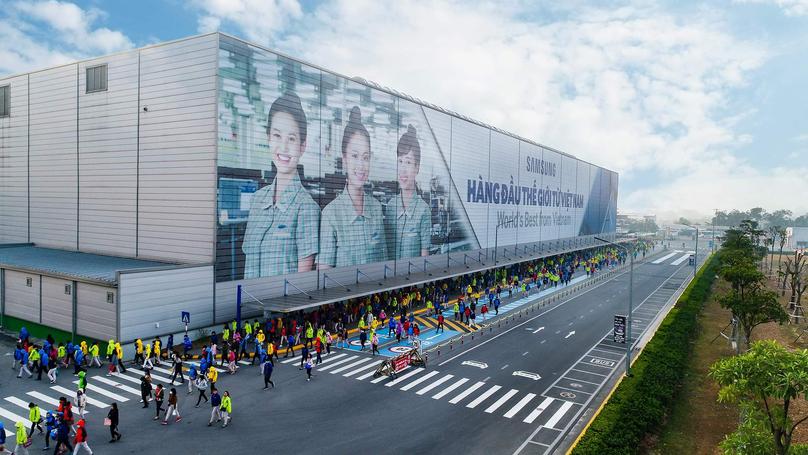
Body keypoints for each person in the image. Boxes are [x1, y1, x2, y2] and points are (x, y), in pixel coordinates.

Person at [242, 91, 319, 279]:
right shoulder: (257, 200)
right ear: (268, 138)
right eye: (277, 135)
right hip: (249, 304)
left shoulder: (306, 207)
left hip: (280, 307)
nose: (283, 147)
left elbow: (302, 282)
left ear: (302, 146)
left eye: (291, 138)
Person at [318, 106, 388, 270]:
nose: (361, 165)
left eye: (365, 157)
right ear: (344, 159)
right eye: (354, 156)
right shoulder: (331, 214)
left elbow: (384, 262)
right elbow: (324, 275)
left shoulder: (376, 208)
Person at [389, 125, 431, 260]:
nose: (403, 169)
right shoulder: (390, 207)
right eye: (400, 161)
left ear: (416, 168)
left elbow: (424, 254)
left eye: (408, 162)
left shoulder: (423, 210)